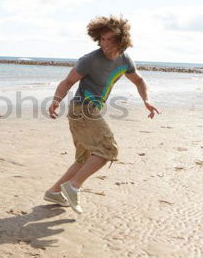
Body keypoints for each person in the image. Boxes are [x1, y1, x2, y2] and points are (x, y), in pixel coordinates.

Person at [44, 15, 158, 214]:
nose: (105, 44)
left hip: (90, 110)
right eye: (102, 39)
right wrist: (56, 100)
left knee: (85, 158)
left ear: (121, 40)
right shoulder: (90, 59)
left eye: (110, 40)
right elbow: (68, 82)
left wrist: (146, 100)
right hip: (82, 109)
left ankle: (54, 192)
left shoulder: (125, 60)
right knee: (108, 150)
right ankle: (73, 187)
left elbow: (139, 81)